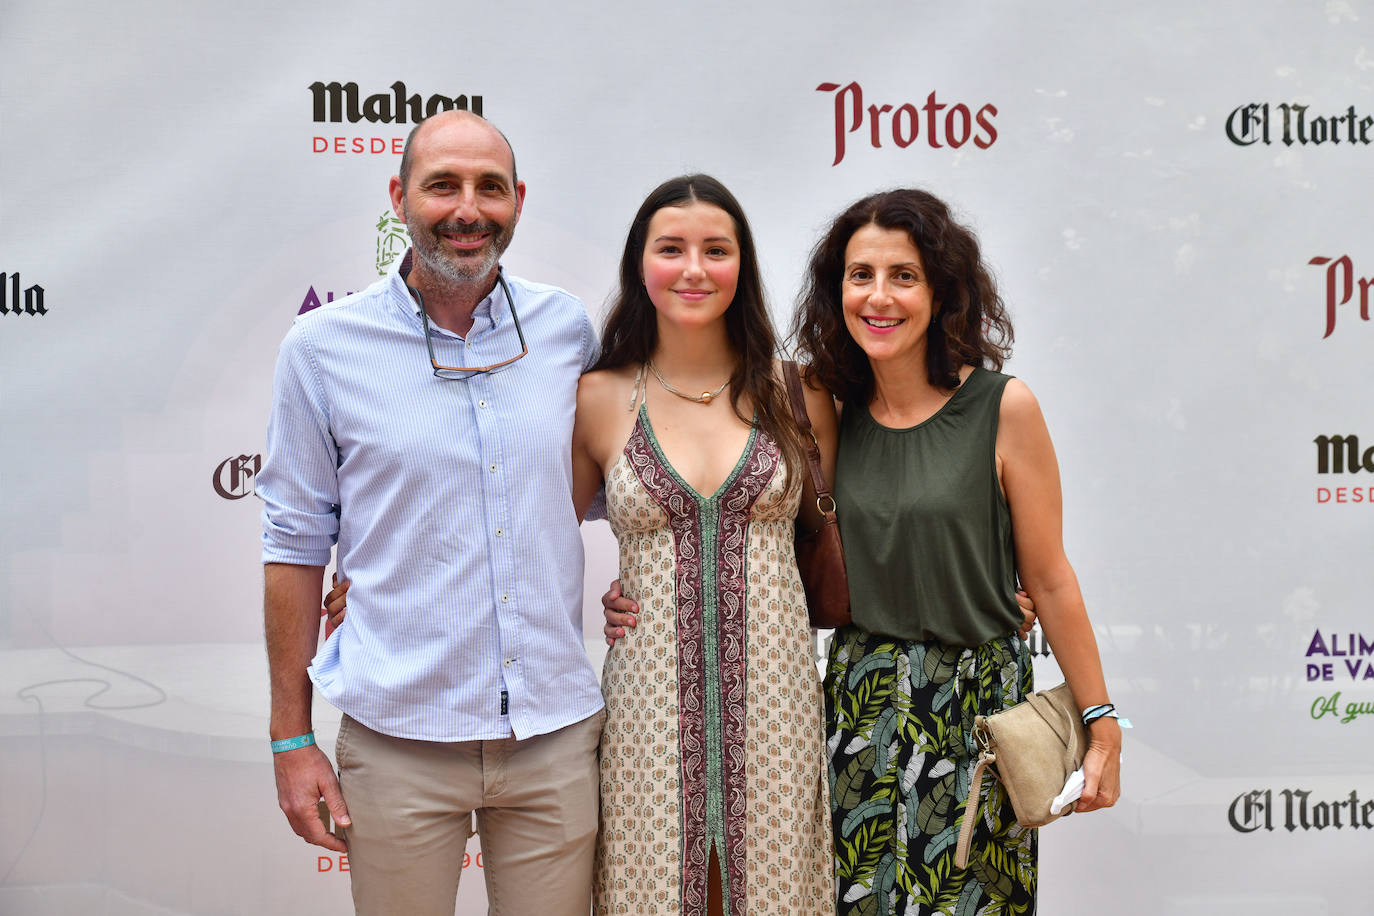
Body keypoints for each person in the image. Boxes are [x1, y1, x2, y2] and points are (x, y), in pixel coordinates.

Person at [258, 110, 606, 916]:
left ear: (518, 200)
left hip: (553, 737)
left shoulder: (566, 330)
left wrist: (637, 598)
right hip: (399, 736)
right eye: (441, 184)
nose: (467, 208)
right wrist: (290, 738)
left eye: (490, 187)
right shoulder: (320, 349)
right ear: (399, 197)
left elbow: (610, 491)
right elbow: (294, 542)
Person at [793, 188, 1123, 913]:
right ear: (836, 290)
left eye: (903, 275)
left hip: (976, 709)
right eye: (860, 275)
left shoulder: (1003, 407)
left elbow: (1052, 580)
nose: (879, 296)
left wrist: (1104, 729)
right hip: (858, 711)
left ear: (942, 290)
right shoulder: (828, 405)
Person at [571, 175, 836, 916]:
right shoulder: (597, 397)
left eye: (716, 250)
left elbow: (867, 522)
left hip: (779, 709)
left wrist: (1000, 584)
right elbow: (530, 545)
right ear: (640, 265)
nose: (694, 268)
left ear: (742, 266)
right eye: (671, 249)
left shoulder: (800, 393)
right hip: (647, 716)